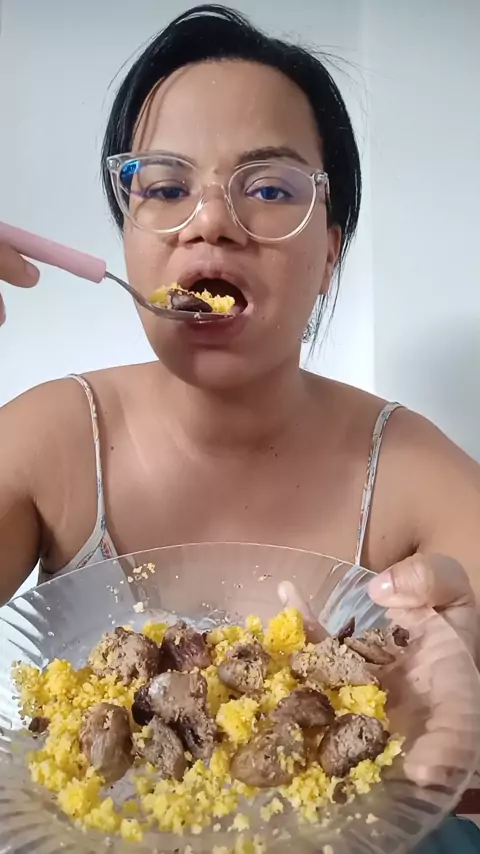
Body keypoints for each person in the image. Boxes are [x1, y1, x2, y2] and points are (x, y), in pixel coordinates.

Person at [0, 5, 479, 849]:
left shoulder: (415, 471)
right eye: (164, 187)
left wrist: (464, 678)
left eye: (268, 189)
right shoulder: (47, 440)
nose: (209, 221)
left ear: (330, 252)